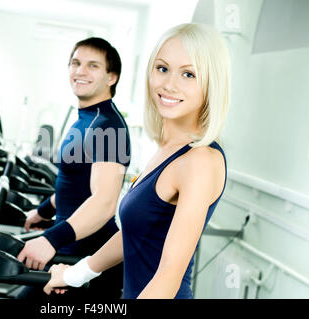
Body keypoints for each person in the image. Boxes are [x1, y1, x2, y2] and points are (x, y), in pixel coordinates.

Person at [43, 22, 231, 299]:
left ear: (211, 84)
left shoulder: (200, 159)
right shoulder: (167, 149)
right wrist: (74, 274)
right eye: (162, 68)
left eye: (189, 74)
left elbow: (169, 275)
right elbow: (135, 233)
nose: (169, 84)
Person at [16, 37, 131, 299]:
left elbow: (104, 202)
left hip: (88, 258)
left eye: (92, 66)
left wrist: (51, 239)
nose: (80, 71)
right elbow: (75, 186)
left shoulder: (107, 125)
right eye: (76, 63)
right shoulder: (87, 118)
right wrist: (42, 211)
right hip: (72, 246)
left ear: (111, 77)